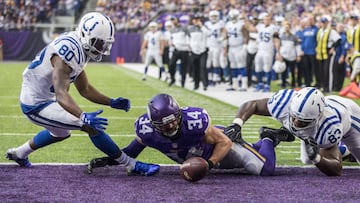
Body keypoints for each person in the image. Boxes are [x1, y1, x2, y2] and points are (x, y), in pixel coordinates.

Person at [5, 12, 160, 176]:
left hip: (44, 96)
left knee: (60, 133)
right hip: (35, 103)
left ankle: (19, 153)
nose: (102, 48)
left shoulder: (79, 46)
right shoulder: (68, 52)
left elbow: (84, 89)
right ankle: (131, 164)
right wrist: (83, 116)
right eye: (99, 43)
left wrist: (111, 102)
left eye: (105, 44)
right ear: (86, 35)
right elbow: (61, 93)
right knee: (89, 126)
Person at [88, 93, 295, 176]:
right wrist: (109, 160)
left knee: (265, 170)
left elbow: (223, 141)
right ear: (153, 124)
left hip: (220, 149)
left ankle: (269, 137)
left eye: (173, 122)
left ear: (179, 115)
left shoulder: (195, 121)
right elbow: (132, 151)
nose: (170, 128)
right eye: (164, 125)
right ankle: (257, 146)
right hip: (203, 157)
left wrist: (210, 164)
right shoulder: (146, 130)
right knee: (250, 158)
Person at [225, 87, 360, 176]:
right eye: (294, 117)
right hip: (320, 112)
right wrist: (237, 125)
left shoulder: (328, 127)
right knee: (306, 159)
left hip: (350, 117)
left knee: (313, 158)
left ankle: (346, 150)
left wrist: (317, 157)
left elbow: (336, 170)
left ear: (316, 118)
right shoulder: (285, 101)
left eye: (302, 121)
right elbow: (253, 104)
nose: (295, 123)